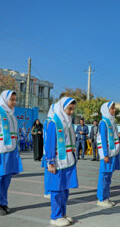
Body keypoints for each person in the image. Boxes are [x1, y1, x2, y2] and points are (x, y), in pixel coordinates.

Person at [0, 90, 23, 216]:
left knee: (6, 179)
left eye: (14, 99)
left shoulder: (11, 115)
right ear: (4, 99)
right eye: (11, 99)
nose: (14, 102)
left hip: (10, 151)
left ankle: (2, 203)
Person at [44, 97, 79, 226]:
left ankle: (62, 213)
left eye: (72, 109)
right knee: (56, 190)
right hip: (58, 162)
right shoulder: (54, 123)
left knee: (65, 189)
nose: (71, 111)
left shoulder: (68, 122)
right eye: (69, 108)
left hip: (69, 161)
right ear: (62, 107)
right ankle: (55, 216)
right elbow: (50, 144)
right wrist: (51, 162)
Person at [96, 101, 120, 208]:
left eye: (114, 108)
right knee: (104, 176)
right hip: (107, 154)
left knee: (108, 177)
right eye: (112, 108)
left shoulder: (112, 121)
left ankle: (106, 197)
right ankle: (101, 199)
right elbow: (103, 139)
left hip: (113, 153)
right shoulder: (103, 123)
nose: (114, 110)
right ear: (106, 110)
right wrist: (105, 154)